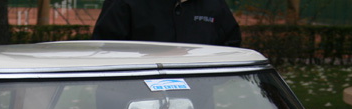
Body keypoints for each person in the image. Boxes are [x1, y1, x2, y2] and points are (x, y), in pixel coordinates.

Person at [92, 0, 242, 47]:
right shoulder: (124, 3)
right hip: (132, 103)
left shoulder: (214, 4)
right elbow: (105, 48)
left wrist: (205, 82)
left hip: (198, 105)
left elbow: (231, 44)